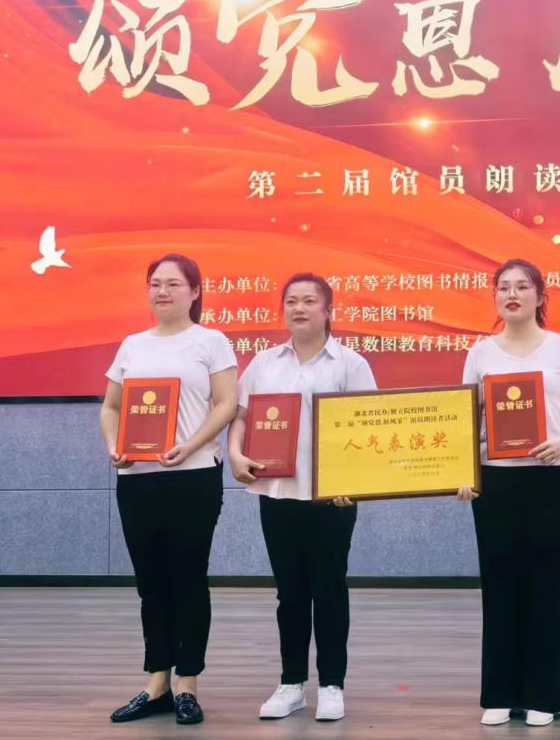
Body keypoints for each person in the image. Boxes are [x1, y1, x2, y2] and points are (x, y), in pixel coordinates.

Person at [227, 273, 375, 722]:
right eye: (291, 301)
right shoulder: (264, 362)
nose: (299, 308)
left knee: (329, 590)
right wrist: (235, 453)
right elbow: (240, 416)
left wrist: (355, 483)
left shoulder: (350, 364)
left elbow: (369, 427)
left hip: (331, 498)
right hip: (277, 493)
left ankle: (331, 684)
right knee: (289, 594)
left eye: (309, 301)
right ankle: (291, 684)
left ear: (329, 311)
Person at [457, 258, 560, 727]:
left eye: (522, 286)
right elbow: (464, 419)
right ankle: (499, 693)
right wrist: (463, 471)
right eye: (503, 287)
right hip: (494, 480)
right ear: (495, 297)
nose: (511, 294)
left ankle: (543, 694)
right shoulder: (480, 353)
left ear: (540, 296)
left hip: (549, 478)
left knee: (545, 584)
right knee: (498, 584)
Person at [100, 253, 238, 726]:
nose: (162, 291)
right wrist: (114, 446)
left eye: (174, 284)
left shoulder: (211, 341)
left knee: (188, 579)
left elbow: (227, 403)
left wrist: (190, 445)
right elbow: (111, 407)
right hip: (137, 480)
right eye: (155, 283)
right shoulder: (132, 345)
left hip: (193, 476)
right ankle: (156, 682)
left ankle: (187, 684)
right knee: (151, 583)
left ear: (195, 292)